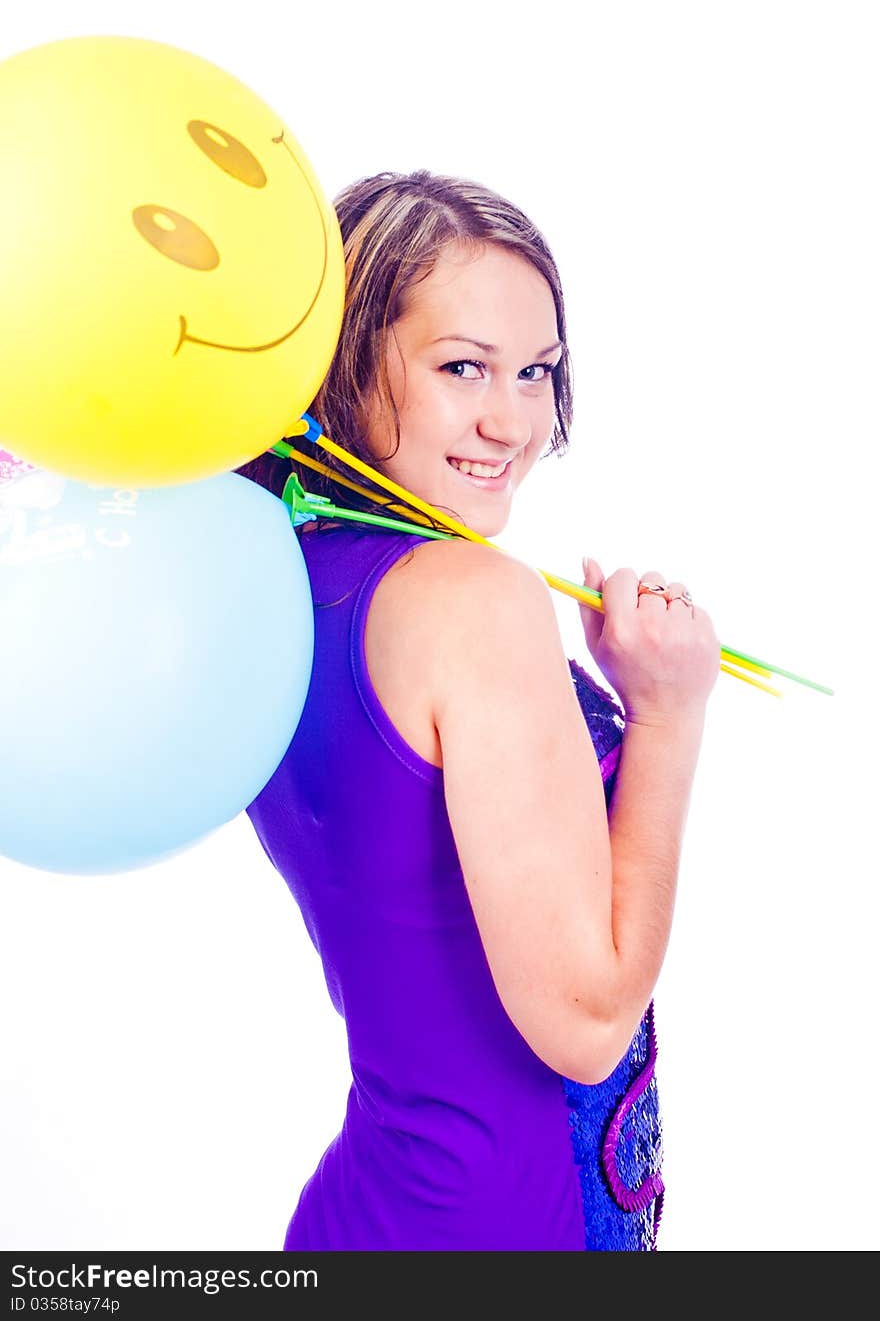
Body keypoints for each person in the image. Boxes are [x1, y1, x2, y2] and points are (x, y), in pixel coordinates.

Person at [235, 170, 721, 1251]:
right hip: (510, 1227)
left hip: (374, 1211)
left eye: (536, 371)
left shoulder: (258, 581)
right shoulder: (473, 599)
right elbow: (587, 1024)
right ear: (345, 359)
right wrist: (668, 714)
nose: (512, 419)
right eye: (462, 367)